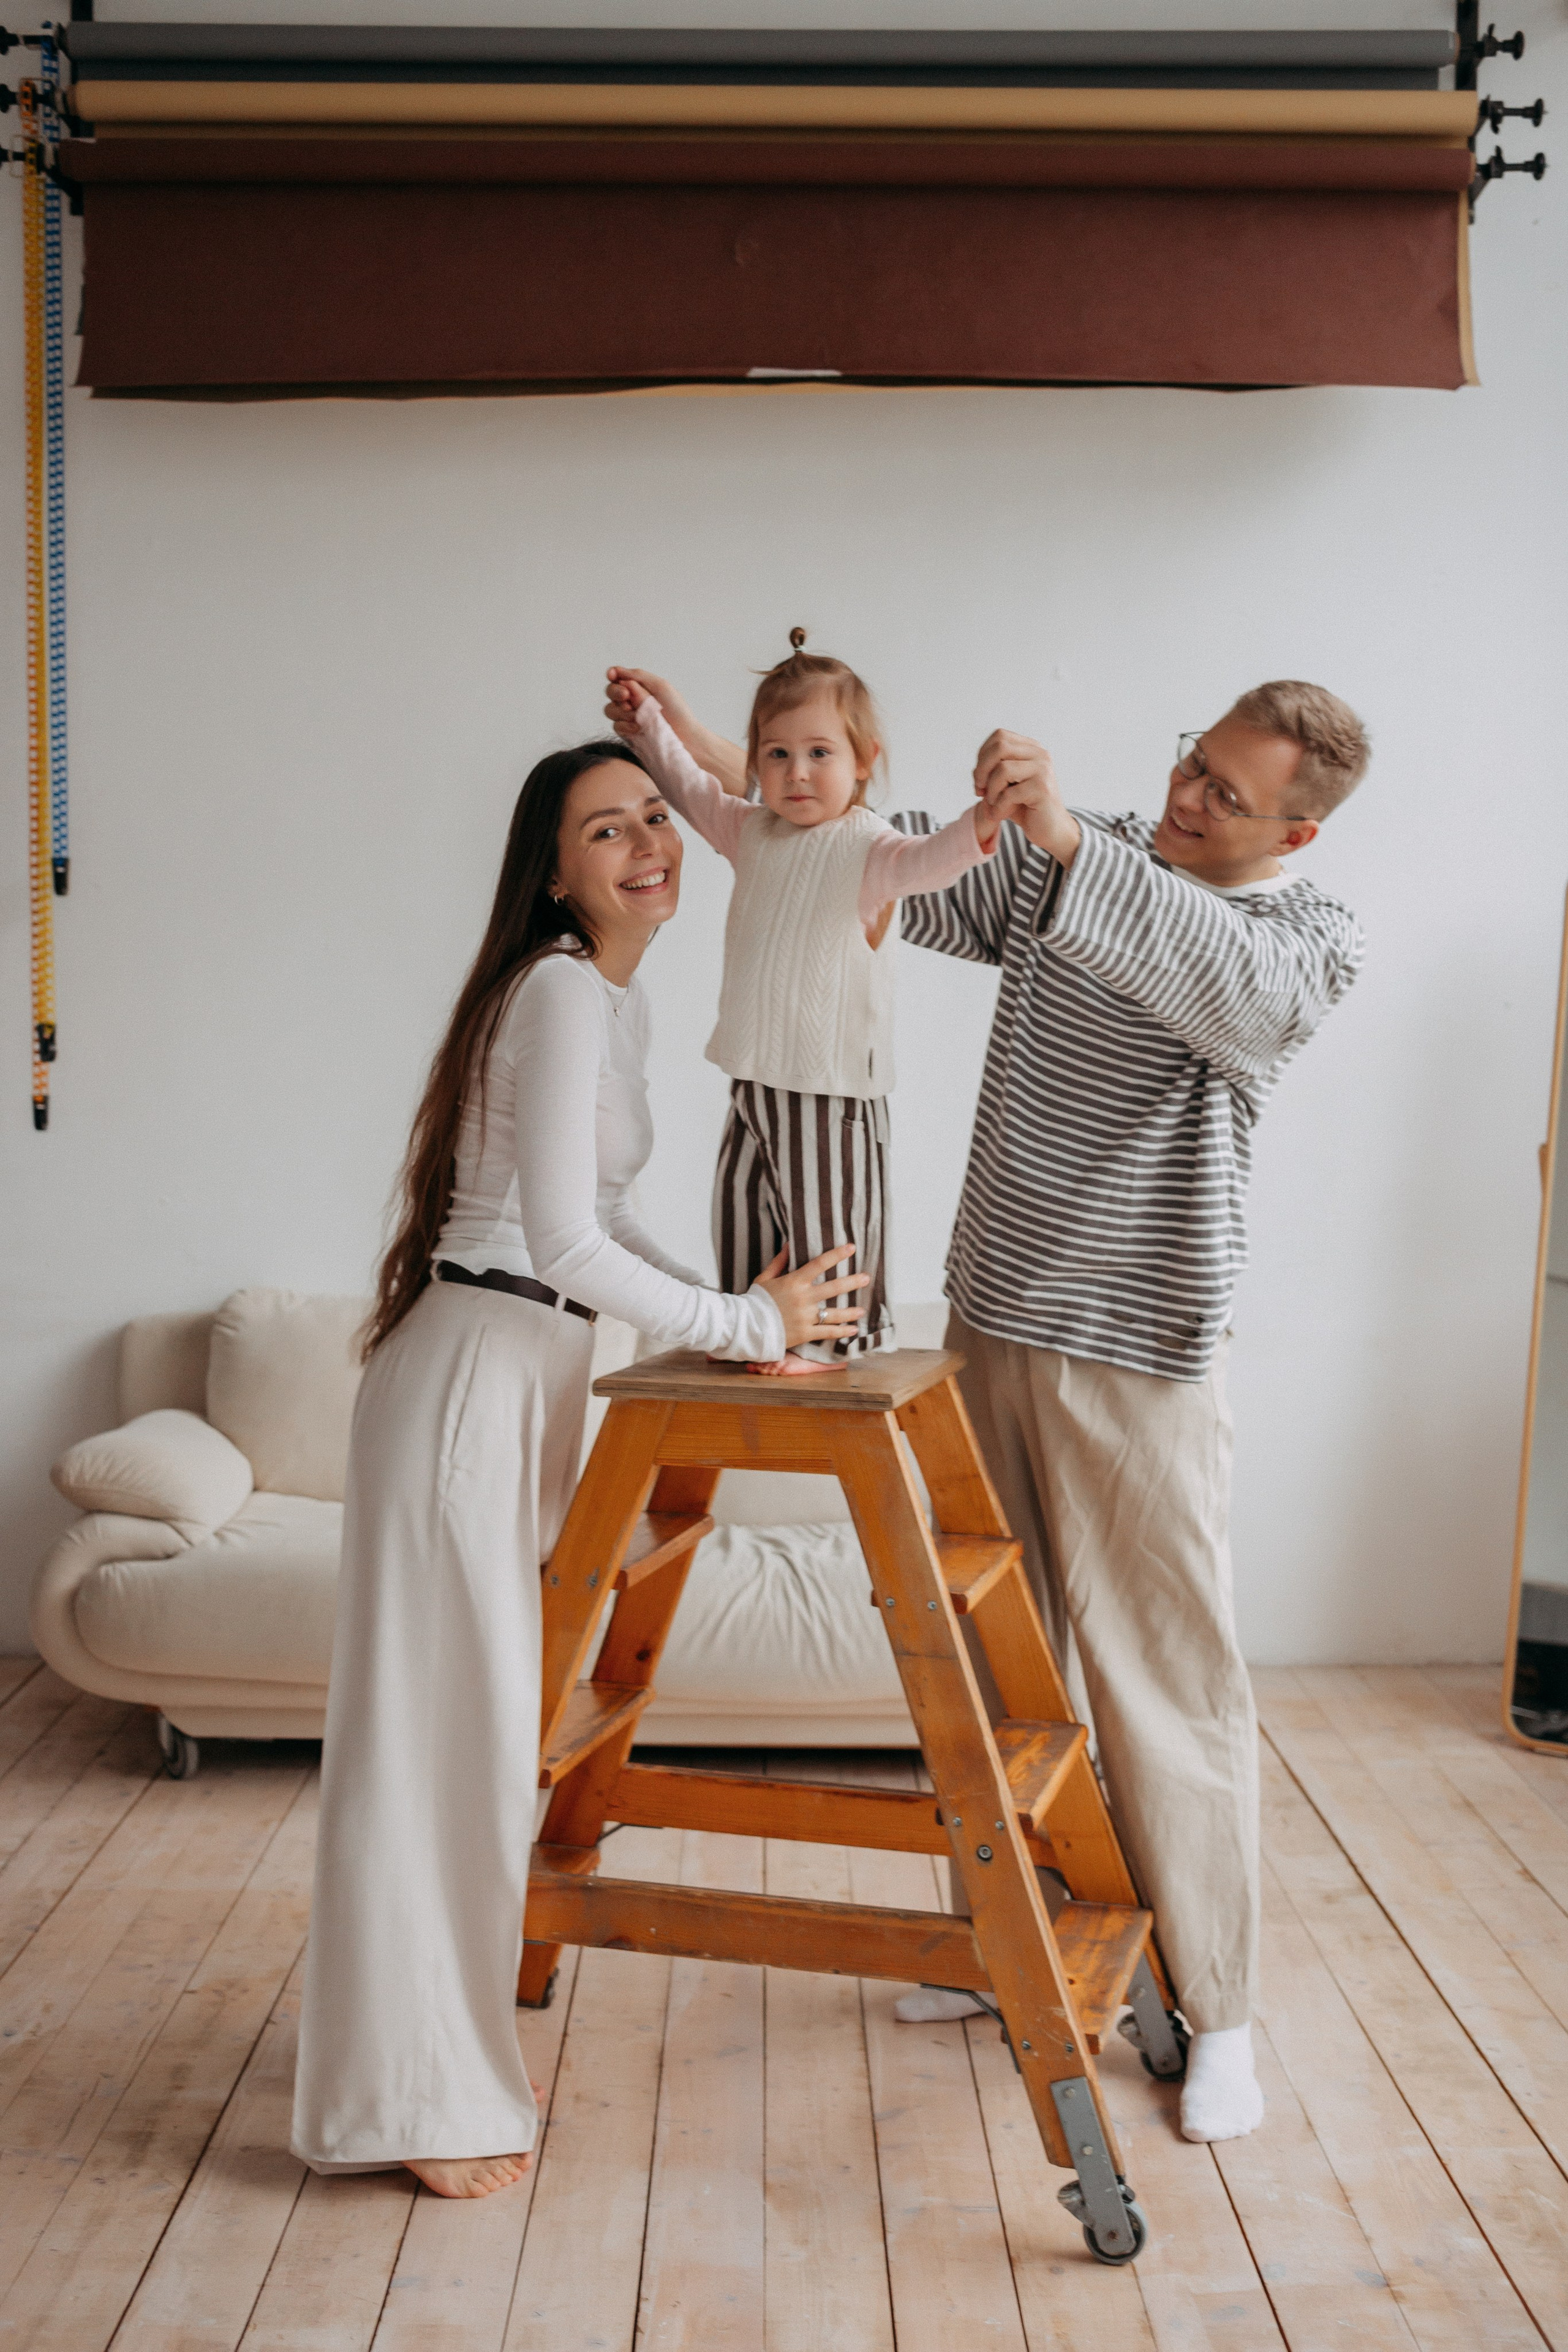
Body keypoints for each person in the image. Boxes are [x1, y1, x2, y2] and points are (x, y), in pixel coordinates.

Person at [603, 671, 1368, 2144]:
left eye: (1226, 790)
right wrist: (709, 749)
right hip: (988, 1318)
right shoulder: (1071, 859)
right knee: (989, 1676)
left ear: (1298, 832)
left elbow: (1238, 994)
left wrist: (1075, 843)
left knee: (1163, 1681)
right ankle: (1006, 1933)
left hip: (1139, 1353)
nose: (1188, 792)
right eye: (1189, 759)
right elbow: (838, 843)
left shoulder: (1298, 937)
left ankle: (1216, 2012)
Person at [291, 737, 868, 2198]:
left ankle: (439, 2050)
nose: (648, 843)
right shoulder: (554, 992)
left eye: (657, 816)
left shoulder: (604, 1001)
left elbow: (601, 1217)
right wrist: (745, 1316)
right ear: (555, 872)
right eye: (606, 829)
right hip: (475, 1378)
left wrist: (749, 1321)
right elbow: (562, 1247)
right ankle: (412, 2095)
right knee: (441, 1747)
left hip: (521, 1371)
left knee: (483, 1742)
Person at [608, 633, 995, 1374]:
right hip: (753, 1072)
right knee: (743, 1206)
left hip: (831, 1084)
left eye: (820, 753)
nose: (797, 772)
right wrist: (649, 724)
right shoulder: (751, 831)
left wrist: (980, 826)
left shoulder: (871, 848)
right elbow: (690, 789)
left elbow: (930, 863)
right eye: (777, 754)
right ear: (755, 763)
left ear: (863, 761)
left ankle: (828, 1340)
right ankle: (758, 1326)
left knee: (830, 1219)